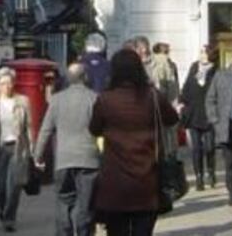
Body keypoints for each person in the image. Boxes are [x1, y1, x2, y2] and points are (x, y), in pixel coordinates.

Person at [89, 49, 178, 236]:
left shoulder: (106, 99)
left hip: (115, 182)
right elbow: (172, 118)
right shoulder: (152, 96)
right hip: (147, 180)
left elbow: (94, 129)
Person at [34, 62, 100, 236]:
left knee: (64, 201)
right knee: (86, 205)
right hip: (89, 160)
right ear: (85, 77)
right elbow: (102, 129)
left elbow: (45, 130)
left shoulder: (57, 100)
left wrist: (37, 156)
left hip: (63, 160)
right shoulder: (94, 98)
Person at [0, 66, 33, 231]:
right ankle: (3, 209)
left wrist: (33, 151)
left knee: (15, 186)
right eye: (2, 83)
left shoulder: (23, 101)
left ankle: (9, 219)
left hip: (17, 148)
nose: (6, 87)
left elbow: (29, 127)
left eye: (9, 83)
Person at [206, 45, 232, 206]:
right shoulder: (222, 76)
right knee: (231, 162)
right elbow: (210, 99)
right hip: (230, 126)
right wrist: (215, 120)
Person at [134, 36, 179, 156]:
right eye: (139, 49)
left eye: (144, 48)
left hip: (160, 110)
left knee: (163, 148)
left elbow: (172, 86)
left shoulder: (161, 62)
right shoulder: (132, 65)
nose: (142, 52)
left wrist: (174, 108)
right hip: (140, 114)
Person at [181, 45, 217, 191]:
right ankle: (199, 178)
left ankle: (211, 172)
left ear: (210, 54)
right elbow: (187, 87)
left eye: (203, 52)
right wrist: (181, 101)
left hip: (209, 114)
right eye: (200, 52)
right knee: (196, 149)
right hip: (193, 113)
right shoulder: (194, 67)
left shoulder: (215, 71)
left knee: (209, 147)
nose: (201, 55)